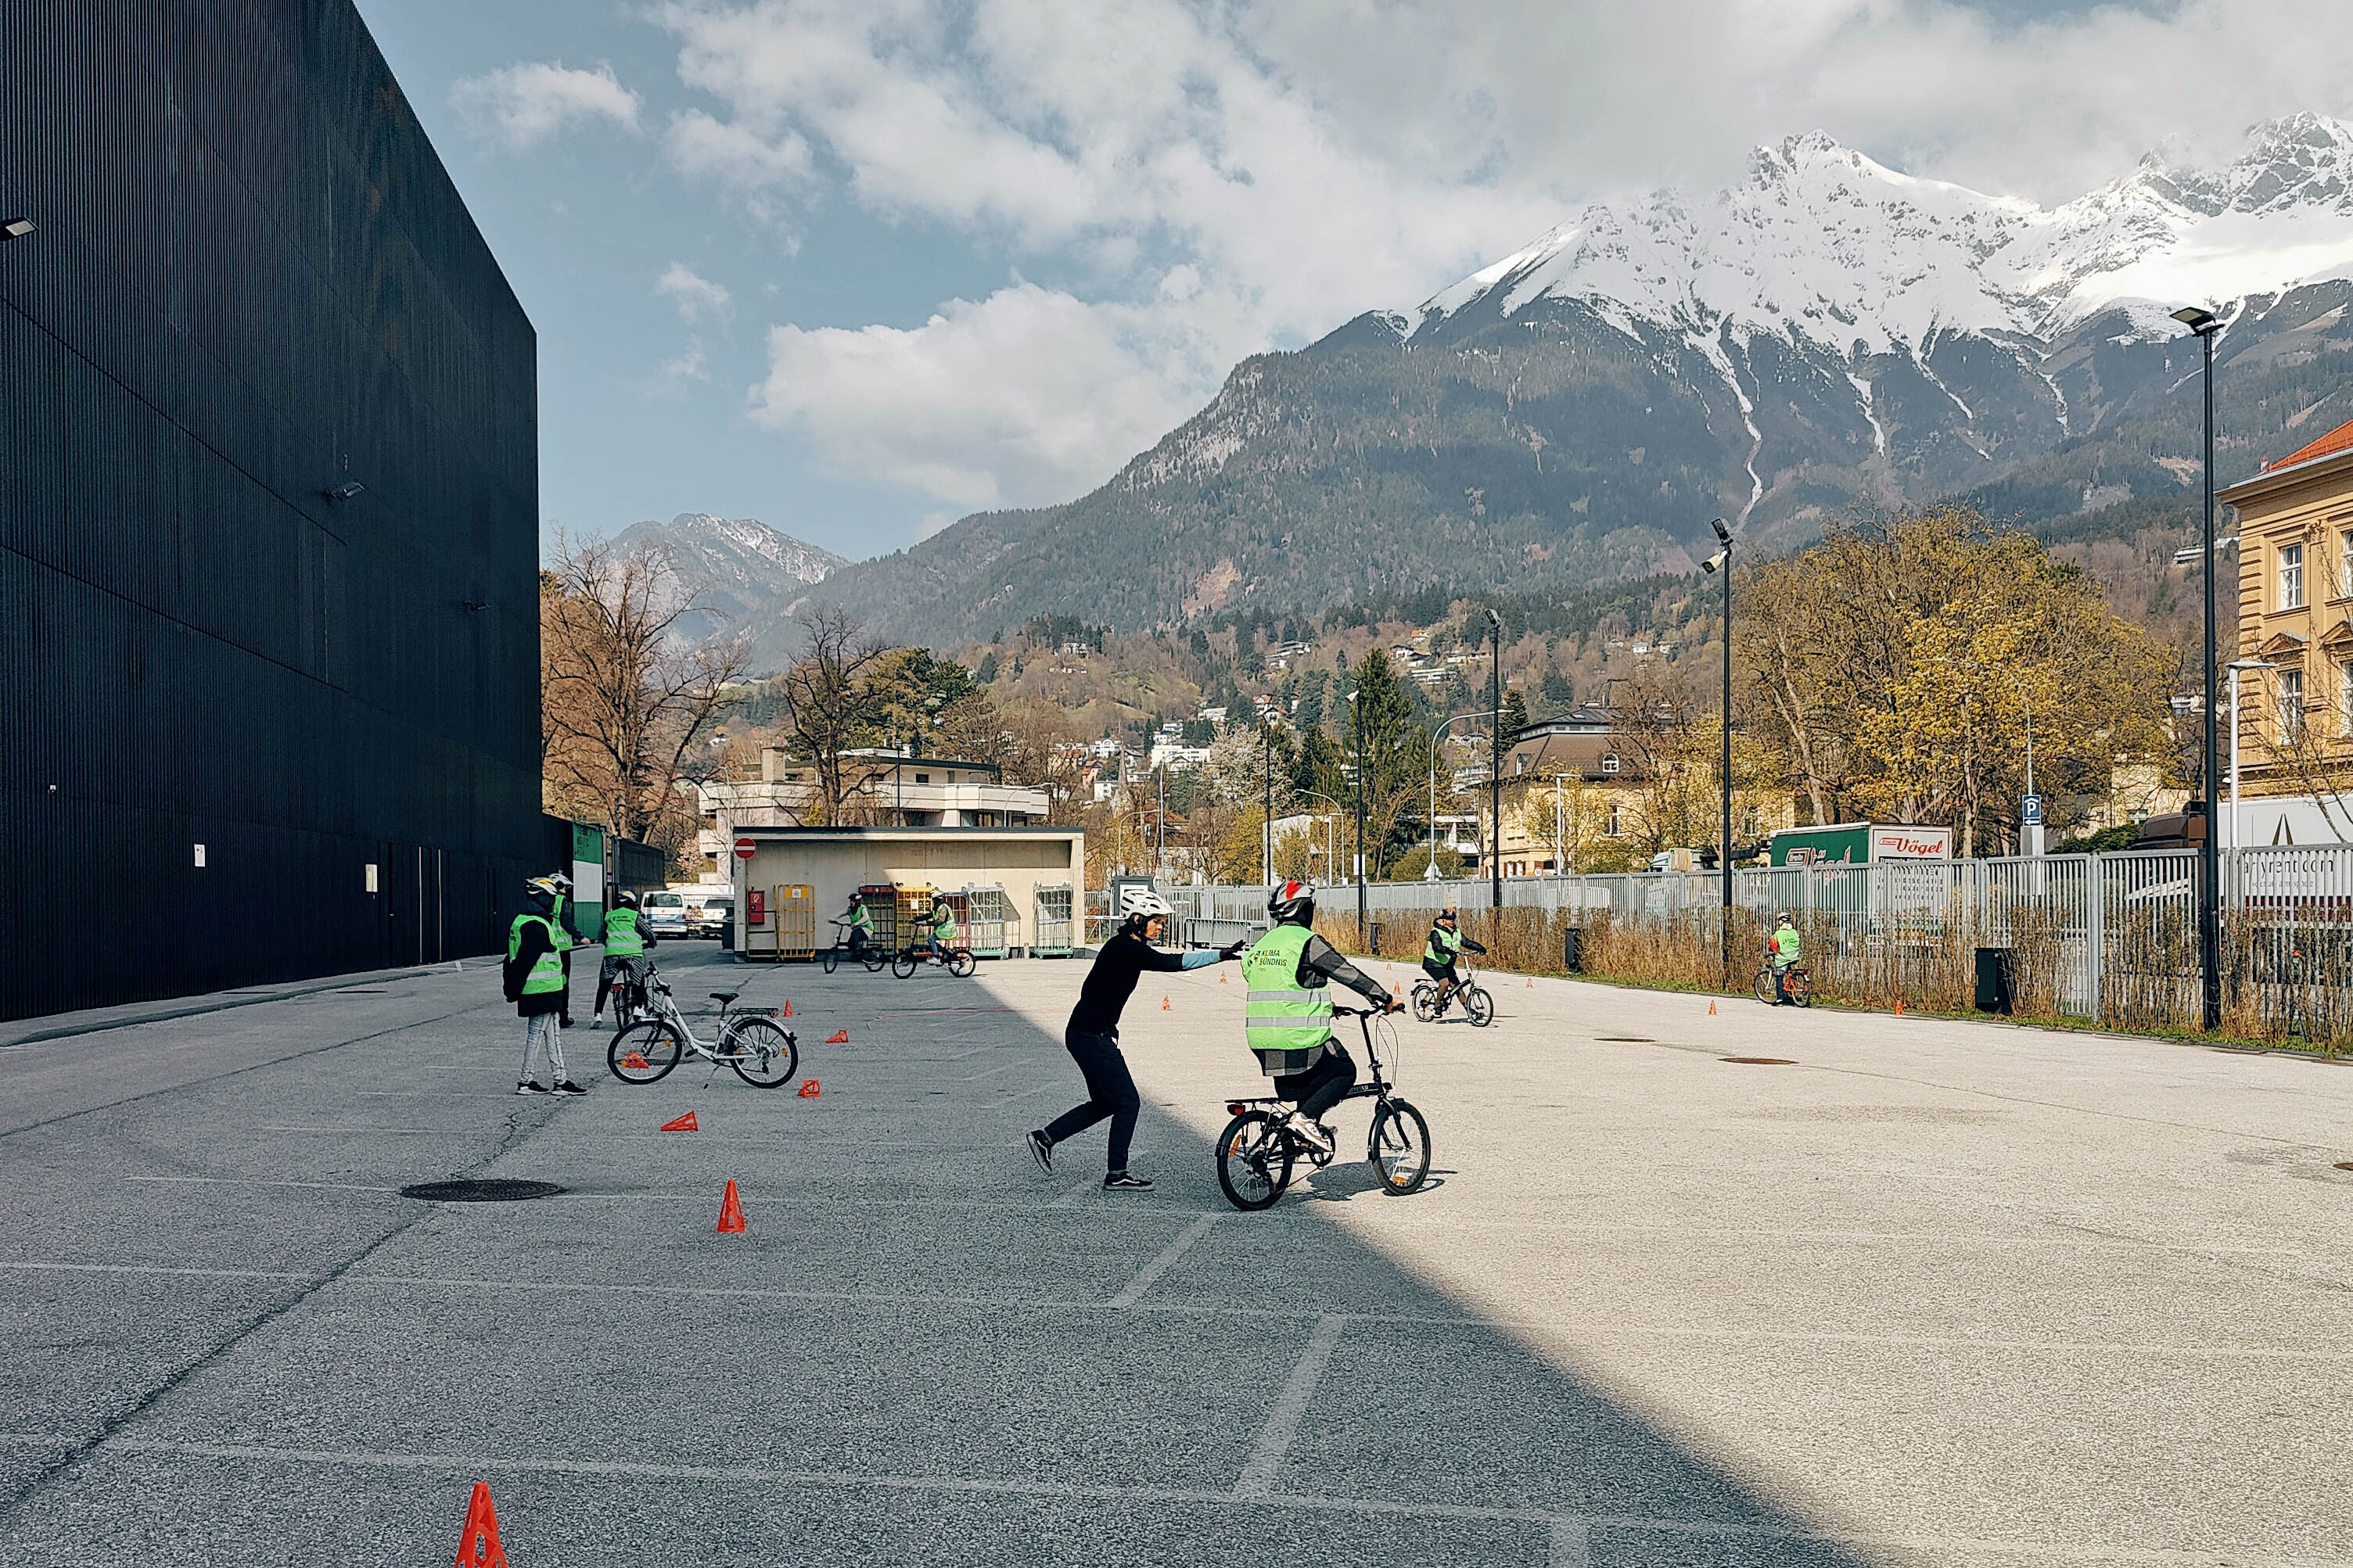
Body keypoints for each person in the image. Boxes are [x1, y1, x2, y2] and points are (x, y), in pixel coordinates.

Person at [1029, 884, 1244, 1189]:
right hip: (1090, 1036)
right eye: (1156, 921)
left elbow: (1092, 991)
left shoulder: (1120, 947)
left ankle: (1046, 1138)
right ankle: (1116, 1174)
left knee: (1107, 1103)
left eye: (1162, 923)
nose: (1160, 927)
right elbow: (1173, 963)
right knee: (1128, 1102)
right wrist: (1220, 955)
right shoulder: (1127, 949)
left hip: (1087, 1032)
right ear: (1138, 919)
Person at [1242, 880, 1399, 1157]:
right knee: (1344, 1071)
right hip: (1297, 1039)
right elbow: (1347, 972)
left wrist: (1327, 1007)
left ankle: (1299, 1134)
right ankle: (1305, 1120)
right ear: (1304, 910)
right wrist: (1384, 999)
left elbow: (1287, 988)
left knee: (1308, 1083)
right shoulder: (1306, 942)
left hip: (1261, 1041)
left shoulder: (1262, 945)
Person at [503, 874, 586, 1096]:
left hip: (540, 989)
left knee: (552, 1035)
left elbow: (510, 959)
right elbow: (524, 961)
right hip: (541, 989)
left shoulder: (522, 920)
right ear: (541, 898)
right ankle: (526, 1081)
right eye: (551, 897)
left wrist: (511, 986)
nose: (553, 902)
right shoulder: (537, 926)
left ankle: (560, 1080)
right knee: (538, 1034)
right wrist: (512, 989)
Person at [592, 890, 655, 1026]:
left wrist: (609, 945)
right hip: (633, 955)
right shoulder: (635, 916)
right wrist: (651, 943)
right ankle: (638, 1007)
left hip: (612, 954)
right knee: (638, 980)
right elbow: (648, 932)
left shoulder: (609, 916)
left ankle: (597, 1015)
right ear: (633, 903)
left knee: (604, 985)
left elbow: (602, 935)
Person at [1421, 908, 1487, 1015]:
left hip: (1447, 964)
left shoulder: (1456, 932)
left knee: (1457, 988)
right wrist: (1447, 951)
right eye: (1448, 919)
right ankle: (1437, 1006)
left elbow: (1466, 942)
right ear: (1442, 919)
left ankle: (1471, 1012)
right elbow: (1437, 946)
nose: (1451, 921)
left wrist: (1480, 948)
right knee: (1445, 983)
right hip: (1433, 963)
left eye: (1453, 919)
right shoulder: (1436, 932)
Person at [1768, 912, 1802, 1004]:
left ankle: (1779, 998)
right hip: (1794, 956)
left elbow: (1773, 946)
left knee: (1779, 976)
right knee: (1789, 972)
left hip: (1783, 958)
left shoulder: (1778, 934)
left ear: (1780, 922)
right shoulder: (1794, 932)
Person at [921, 894, 957, 961]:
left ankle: (936, 957)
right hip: (943, 930)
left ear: (936, 900)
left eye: (933, 900)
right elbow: (928, 916)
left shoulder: (943, 908)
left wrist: (927, 923)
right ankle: (945, 952)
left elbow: (940, 921)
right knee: (931, 940)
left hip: (947, 931)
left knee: (931, 939)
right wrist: (915, 919)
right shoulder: (938, 908)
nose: (932, 902)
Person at [840, 892, 874, 958]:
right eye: (851, 901)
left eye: (853, 901)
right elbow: (841, 914)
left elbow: (866, 918)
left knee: (854, 934)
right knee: (850, 943)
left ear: (857, 901)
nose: (851, 903)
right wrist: (833, 919)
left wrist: (856, 924)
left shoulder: (862, 908)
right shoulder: (850, 909)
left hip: (867, 929)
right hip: (858, 929)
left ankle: (858, 951)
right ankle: (857, 954)